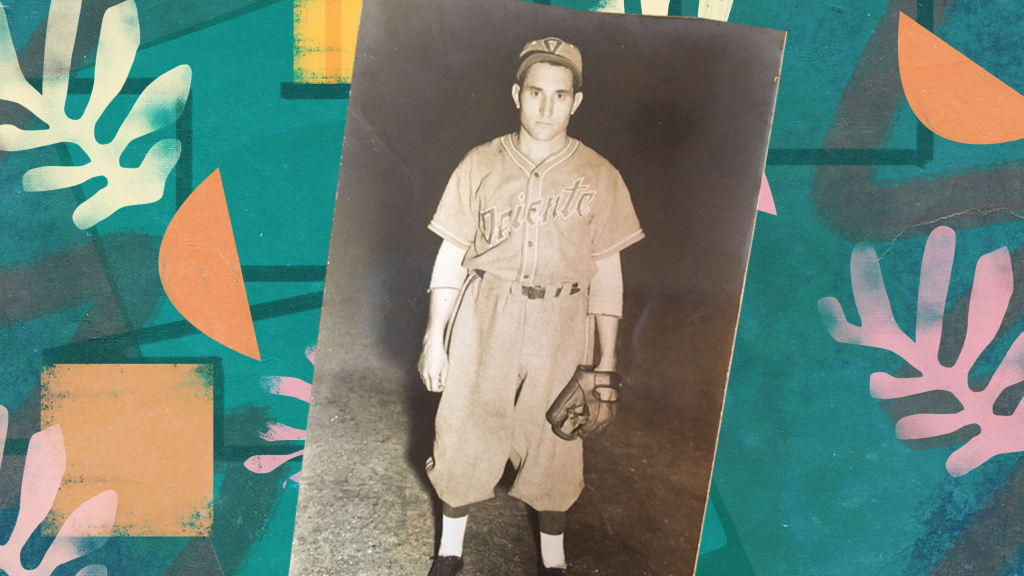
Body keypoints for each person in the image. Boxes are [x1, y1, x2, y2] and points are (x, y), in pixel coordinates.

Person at [418, 36, 643, 576]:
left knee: (557, 438)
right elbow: (450, 255)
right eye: (536, 92)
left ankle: (553, 560)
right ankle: (450, 551)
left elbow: (608, 274)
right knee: (464, 426)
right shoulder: (479, 163)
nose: (546, 107)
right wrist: (435, 336)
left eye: (560, 95)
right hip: (485, 310)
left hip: (564, 317)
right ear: (516, 94)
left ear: (576, 102)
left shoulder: (600, 174)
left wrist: (606, 362)